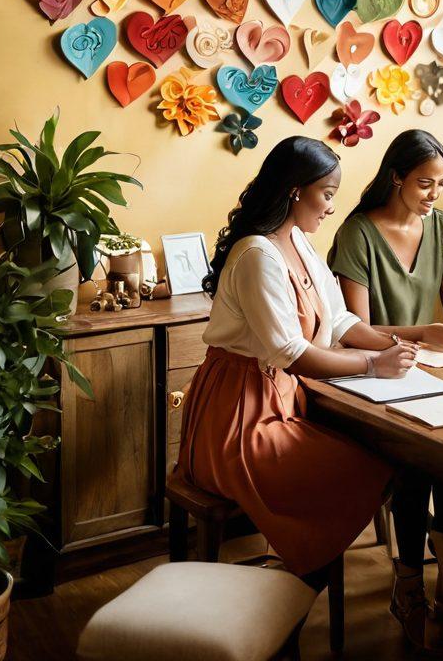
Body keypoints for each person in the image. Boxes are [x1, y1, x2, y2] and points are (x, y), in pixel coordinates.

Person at [175, 136, 416, 595]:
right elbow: (290, 353)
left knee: (380, 459)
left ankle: (297, 579)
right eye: (326, 193)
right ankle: (294, 586)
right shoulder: (256, 255)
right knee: (363, 468)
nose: (330, 207)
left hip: (279, 400)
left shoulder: (299, 244)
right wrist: (372, 365)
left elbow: (341, 319)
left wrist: (399, 341)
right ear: (294, 190)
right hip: (237, 418)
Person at [330, 130, 443, 642]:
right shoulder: (357, 234)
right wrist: (422, 333)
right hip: (372, 374)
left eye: (440, 185)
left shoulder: (442, 226)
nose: (434, 195)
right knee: (418, 460)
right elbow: (356, 329)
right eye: (425, 184)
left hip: (429, 371)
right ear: (396, 177)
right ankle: (409, 585)